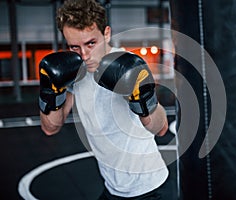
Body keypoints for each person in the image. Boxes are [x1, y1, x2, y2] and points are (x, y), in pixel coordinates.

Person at [39, 0, 176, 199]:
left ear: (107, 33)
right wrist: (51, 93)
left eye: (91, 43)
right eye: (75, 47)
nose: (84, 55)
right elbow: (50, 127)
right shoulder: (74, 70)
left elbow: (161, 128)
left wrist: (144, 101)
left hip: (151, 189)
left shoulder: (127, 66)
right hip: (113, 189)